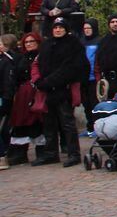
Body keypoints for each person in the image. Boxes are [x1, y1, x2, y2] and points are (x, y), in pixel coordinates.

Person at [30, 17, 88, 167]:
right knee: (49, 124)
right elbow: (39, 63)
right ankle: (50, 153)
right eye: (55, 27)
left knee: (67, 123)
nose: (58, 30)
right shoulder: (47, 44)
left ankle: (73, 153)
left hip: (64, 88)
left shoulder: (73, 44)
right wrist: (39, 82)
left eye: (61, 27)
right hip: (47, 90)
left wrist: (49, 82)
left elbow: (70, 68)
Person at [6, 33, 45, 166]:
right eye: (26, 42)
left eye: (31, 41)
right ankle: (19, 153)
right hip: (22, 93)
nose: (28, 44)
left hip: (36, 91)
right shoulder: (21, 58)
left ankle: (42, 152)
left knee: (36, 121)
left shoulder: (42, 56)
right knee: (20, 121)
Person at [80, 17, 101, 136]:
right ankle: (89, 127)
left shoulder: (99, 41)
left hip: (95, 78)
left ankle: (96, 127)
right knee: (86, 104)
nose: (87, 30)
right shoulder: (81, 41)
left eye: (89, 28)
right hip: (83, 78)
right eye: (85, 28)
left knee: (95, 104)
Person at [0, 33, 16, 170]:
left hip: (3, 98)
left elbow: (8, 82)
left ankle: (2, 155)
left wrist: (6, 98)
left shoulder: (6, 61)